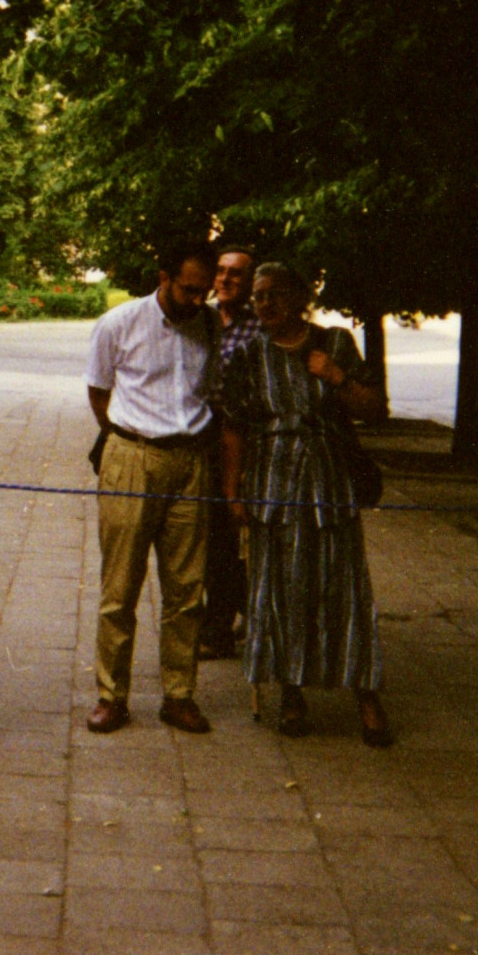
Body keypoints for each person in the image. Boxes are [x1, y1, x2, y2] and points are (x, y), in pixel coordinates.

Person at [220, 263, 392, 746]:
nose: (266, 304)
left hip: (329, 482)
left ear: (300, 297)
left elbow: (375, 410)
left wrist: (337, 378)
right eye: (258, 297)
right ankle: (291, 693)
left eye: (275, 295)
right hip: (273, 480)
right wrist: (233, 495)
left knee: (345, 589)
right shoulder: (250, 356)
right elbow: (233, 428)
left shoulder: (334, 343)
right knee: (280, 590)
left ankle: (367, 694)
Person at [84, 241, 220, 735]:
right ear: (164, 277)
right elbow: (98, 391)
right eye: (189, 289)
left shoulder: (209, 324)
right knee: (120, 586)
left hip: (191, 461)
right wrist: (128, 438)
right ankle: (110, 695)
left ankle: (179, 695)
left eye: (204, 291)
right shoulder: (120, 324)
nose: (197, 299)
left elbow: (209, 388)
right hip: (132, 456)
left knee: (187, 587)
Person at [199, 245, 260, 660]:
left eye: (236, 273)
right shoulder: (199, 319)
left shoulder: (258, 328)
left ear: (251, 282)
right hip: (198, 435)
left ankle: (221, 625)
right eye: (220, 271)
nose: (225, 279)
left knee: (225, 534)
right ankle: (234, 610)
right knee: (201, 535)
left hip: (238, 438)